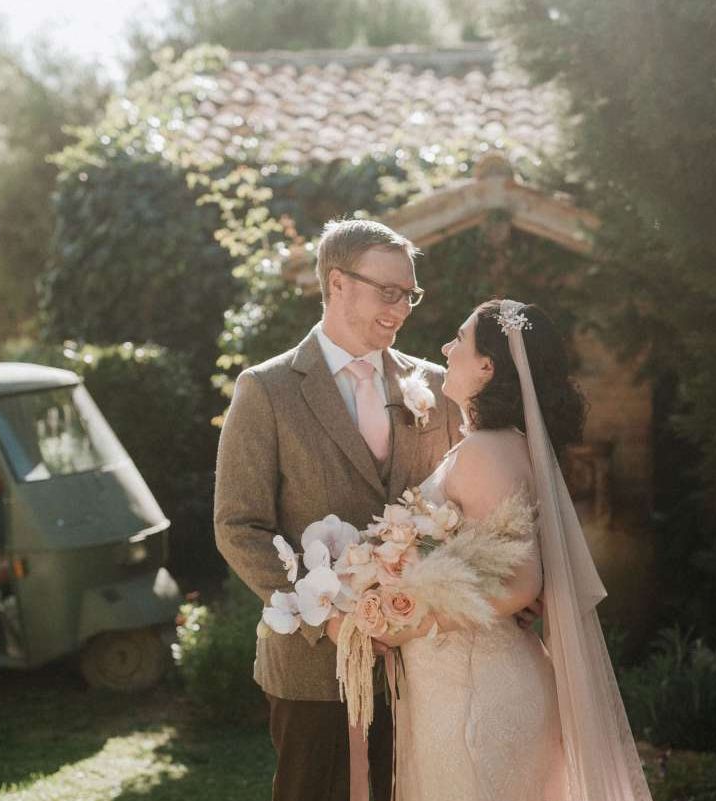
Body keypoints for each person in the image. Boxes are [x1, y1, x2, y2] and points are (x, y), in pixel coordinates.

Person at [214, 218, 462, 801]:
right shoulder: (266, 390)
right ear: (337, 283)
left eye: (410, 294)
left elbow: (462, 508)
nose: (402, 308)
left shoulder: (436, 386)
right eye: (389, 291)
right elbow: (238, 526)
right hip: (312, 669)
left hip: (423, 664)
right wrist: (330, 620)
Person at [377, 299, 653, 801]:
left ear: (488, 365)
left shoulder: (487, 451)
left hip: (478, 694)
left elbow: (520, 583)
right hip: (468, 681)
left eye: (458, 339)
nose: (444, 348)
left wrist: (411, 615)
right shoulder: (503, 443)